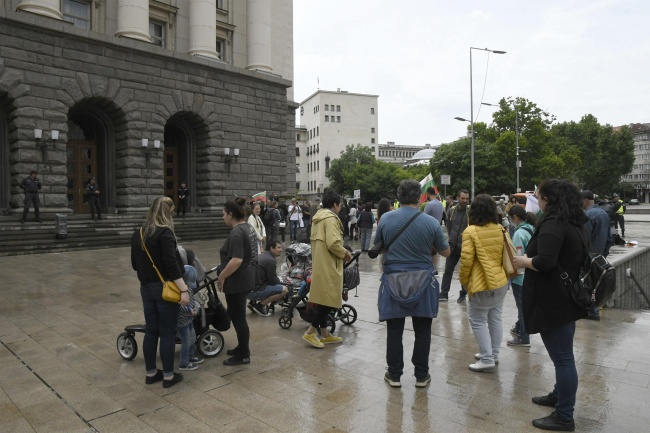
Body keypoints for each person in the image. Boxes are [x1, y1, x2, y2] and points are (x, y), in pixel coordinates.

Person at [513, 179, 588, 432]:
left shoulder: (554, 224)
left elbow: (545, 261)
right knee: (563, 355)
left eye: (538, 196)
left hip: (554, 301)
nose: (536, 199)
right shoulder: (574, 221)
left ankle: (564, 416)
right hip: (566, 298)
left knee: (563, 359)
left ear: (548, 199)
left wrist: (522, 261)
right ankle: (558, 395)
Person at [374, 180, 450, 388]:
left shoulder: (385, 219)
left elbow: (379, 249)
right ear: (419, 197)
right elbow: (445, 252)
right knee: (423, 329)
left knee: (394, 330)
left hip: (393, 280)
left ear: (398, 197)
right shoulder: (431, 222)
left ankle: (395, 374)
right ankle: (421, 375)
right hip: (423, 281)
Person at [130, 196, 190, 388]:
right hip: (164, 288)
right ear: (167, 213)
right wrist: (184, 290)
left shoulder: (138, 233)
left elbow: (134, 265)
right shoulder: (165, 233)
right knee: (167, 332)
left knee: (151, 331)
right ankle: (168, 377)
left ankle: (150, 373)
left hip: (145, 288)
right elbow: (172, 265)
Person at [458, 194, 509, 372]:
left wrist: (464, 281)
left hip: (481, 284)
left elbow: (466, 260)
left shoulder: (470, 231)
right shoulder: (500, 228)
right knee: (495, 318)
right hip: (501, 282)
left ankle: (486, 358)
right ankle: (493, 354)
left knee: (477, 319)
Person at [302, 189, 352, 349]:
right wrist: (345, 253)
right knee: (330, 301)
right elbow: (333, 243)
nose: (340, 208)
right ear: (335, 204)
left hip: (320, 264)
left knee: (323, 299)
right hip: (329, 265)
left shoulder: (317, 218)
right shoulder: (330, 219)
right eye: (340, 205)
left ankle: (324, 334)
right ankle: (310, 332)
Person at [217, 197, 258, 366]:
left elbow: (236, 260)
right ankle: (242, 347)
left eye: (224, 214)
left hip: (237, 281)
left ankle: (243, 354)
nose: (223, 217)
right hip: (246, 278)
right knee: (237, 315)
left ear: (231, 214)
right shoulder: (248, 227)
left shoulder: (236, 233)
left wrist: (222, 276)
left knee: (238, 316)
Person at [506, 205, 536, 347]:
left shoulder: (518, 234)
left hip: (521, 277)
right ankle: (519, 328)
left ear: (515, 218)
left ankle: (524, 337)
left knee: (522, 307)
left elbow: (518, 257)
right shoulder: (532, 228)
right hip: (531, 273)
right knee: (524, 305)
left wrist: (514, 275)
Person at [581, 190, 611, 321]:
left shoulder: (588, 215)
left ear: (585, 200)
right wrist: (604, 254)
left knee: (588, 284)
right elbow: (610, 238)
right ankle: (594, 310)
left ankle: (591, 311)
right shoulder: (604, 213)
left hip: (589, 256)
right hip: (600, 256)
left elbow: (584, 238)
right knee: (596, 284)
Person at [440, 189, 470, 302]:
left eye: (466, 198)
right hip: (453, 246)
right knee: (448, 269)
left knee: (465, 271)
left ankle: (463, 293)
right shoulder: (451, 211)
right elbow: (448, 226)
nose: (465, 200)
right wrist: (451, 239)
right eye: (462, 198)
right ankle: (443, 293)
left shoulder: (470, 211)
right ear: (457, 198)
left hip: (466, 246)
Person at [247, 239, 289, 316]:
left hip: (248, 290)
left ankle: (252, 303)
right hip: (254, 292)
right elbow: (273, 281)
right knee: (284, 290)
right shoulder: (270, 260)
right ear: (271, 248)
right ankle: (260, 306)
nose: (281, 250)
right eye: (278, 248)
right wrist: (283, 283)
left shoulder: (262, 256)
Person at [176, 264, 204, 371]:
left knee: (193, 338)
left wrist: (196, 308)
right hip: (182, 322)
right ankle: (183, 363)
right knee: (186, 341)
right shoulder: (179, 291)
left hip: (190, 320)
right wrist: (190, 311)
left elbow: (193, 301)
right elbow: (180, 307)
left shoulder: (189, 290)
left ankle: (191, 356)